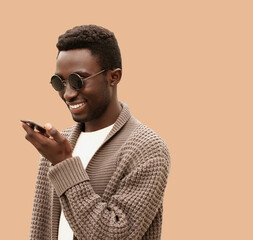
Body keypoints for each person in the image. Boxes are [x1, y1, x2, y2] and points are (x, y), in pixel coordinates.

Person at [21, 25, 171, 240]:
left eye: (78, 80)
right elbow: (41, 228)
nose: (68, 94)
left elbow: (115, 235)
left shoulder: (147, 148)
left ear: (114, 77)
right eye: (59, 82)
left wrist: (64, 164)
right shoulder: (57, 146)